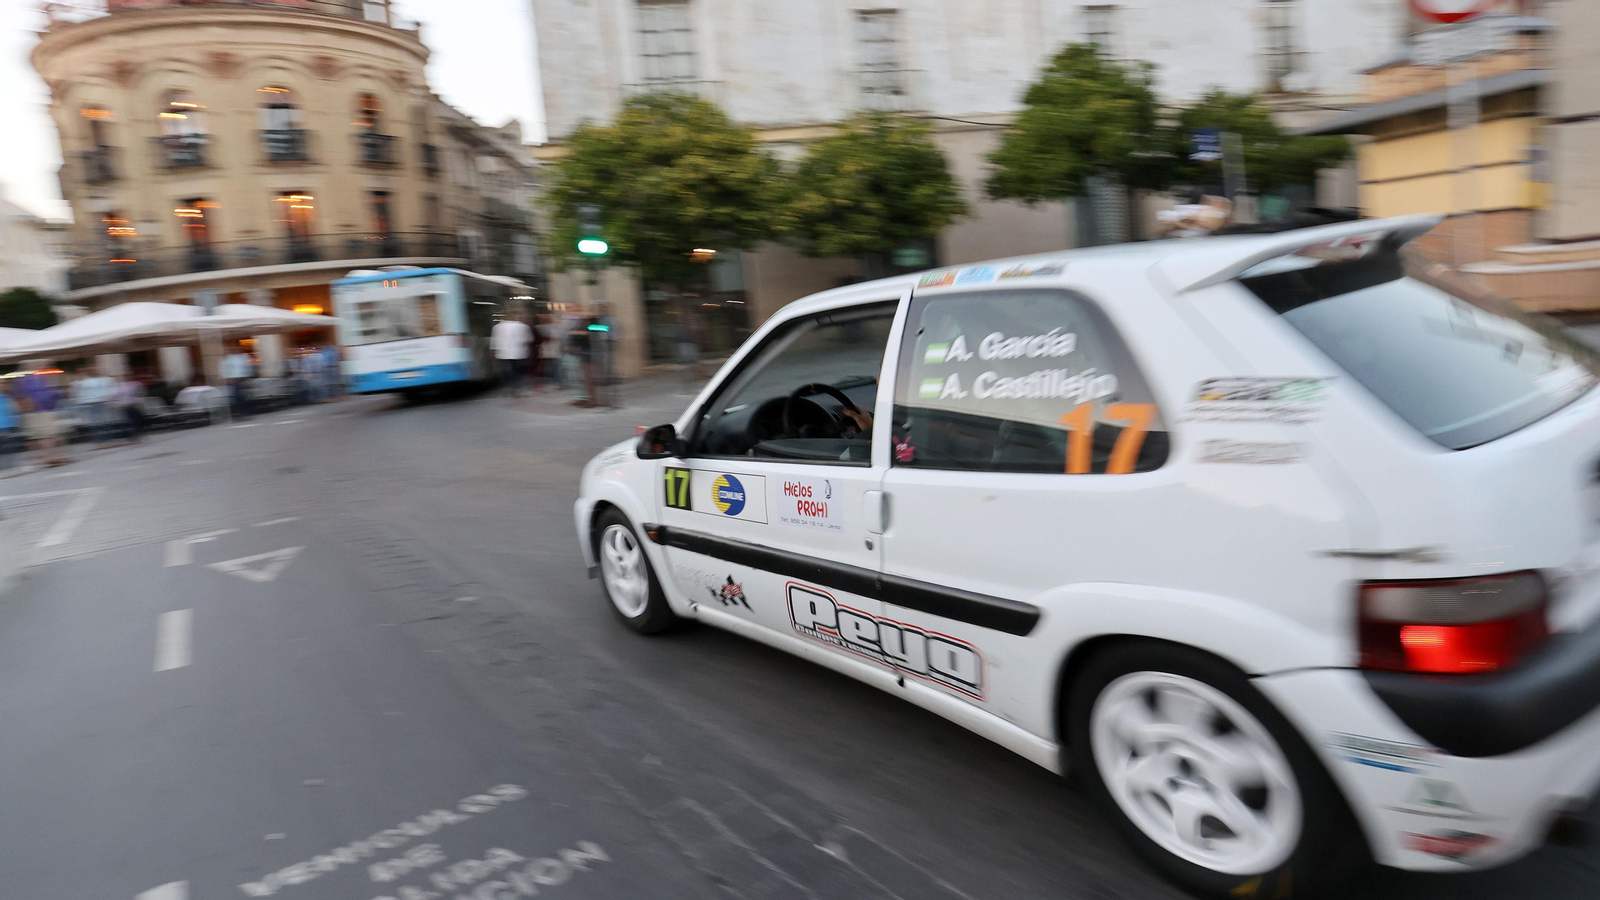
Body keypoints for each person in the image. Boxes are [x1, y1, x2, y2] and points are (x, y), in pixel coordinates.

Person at [19, 367, 69, 467]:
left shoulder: (43, 380)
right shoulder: (29, 380)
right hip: (39, 412)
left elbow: (55, 395)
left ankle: (52, 456)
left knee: (51, 435)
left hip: (48, 410)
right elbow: (26, 398)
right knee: (46, 435)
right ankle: (49, 457)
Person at [490, 312, 534, 396]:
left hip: (502, 353)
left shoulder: (497, 327)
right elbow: (529, 339)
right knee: (517, 370)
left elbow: (494, 340)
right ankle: (516, 388)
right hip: (518, 353)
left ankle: (507, 387)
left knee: (505, 370)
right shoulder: (522, 326)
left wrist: (493, 350)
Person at [112, 372, 147, 443]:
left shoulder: (135, 384)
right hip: (125, 406)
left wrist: (137, 402)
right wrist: (118, 404)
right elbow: (115, 396)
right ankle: (132, 435)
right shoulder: (120, 386)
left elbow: (140, 393)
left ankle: (137, 433)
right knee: (130, 421)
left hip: (133, 405)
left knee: (139, 419)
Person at [221, 346, 254, 418]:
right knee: (237, 396)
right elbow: (225, 369)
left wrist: (247, 376)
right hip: (233, 379)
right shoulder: (227, 359)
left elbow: (247, 367)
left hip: (242, 378)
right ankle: (241, 411)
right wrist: (228, 378)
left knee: (242, 395)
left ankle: (245, 411)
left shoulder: (244, 357)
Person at [0, 381, 21, 470]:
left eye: (4, 384)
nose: (4, 386)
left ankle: (8, 466)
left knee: (8, 446)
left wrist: (15, 423)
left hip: (7, 426)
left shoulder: (6, 397)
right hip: (2, 426)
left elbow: (13, 410)